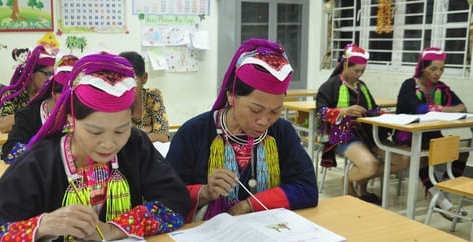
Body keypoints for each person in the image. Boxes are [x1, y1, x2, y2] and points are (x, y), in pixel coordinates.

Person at [0, 52, 191, 242]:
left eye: (121, 130)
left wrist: (113, 229)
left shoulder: (135, 145)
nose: (109, 143)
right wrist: (42, 226)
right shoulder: (38, 163)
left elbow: (175, 202)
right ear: (70, 118)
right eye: (94, 131)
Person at [165, 38, 318, 222]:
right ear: (231, 96)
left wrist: (248, 205)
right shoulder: (194, 132)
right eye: (255, 110)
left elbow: (307, 189)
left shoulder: (282, 132)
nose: (264, 121)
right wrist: (204, 192)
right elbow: (166, 196)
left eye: (275, 111)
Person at [316, 43, 409, 203]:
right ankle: (348, 180)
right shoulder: (330, 86)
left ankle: (359, 178)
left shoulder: (361, 86)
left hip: (368, 133)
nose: (359, 75)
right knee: (369, 164)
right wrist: (343, 111)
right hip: (343, 134)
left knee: (402, 161)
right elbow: (320, 112)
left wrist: (386, 115)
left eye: (362, 71)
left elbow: (372, 108)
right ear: (345, 64)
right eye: (356, 70)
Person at [396, 47, 468, 210]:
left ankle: (443, 187)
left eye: (441, 69)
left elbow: (461, 106)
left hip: (432, 133)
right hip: (407, 134)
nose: (438, 73)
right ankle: (436, 194)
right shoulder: (409, 85)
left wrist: (444, 108)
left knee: (462, 151)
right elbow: (418, 109)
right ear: (422, 68)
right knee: (423, 152)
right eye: (433, 69)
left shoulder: (441, 87)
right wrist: (445, 109)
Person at [1, 54, 79, 163]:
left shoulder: (85, 114)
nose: (76, 105)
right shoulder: (30, 115)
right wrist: (52, 154)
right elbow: (10, 150)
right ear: (54, 94)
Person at [0, 45, 55, 133]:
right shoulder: (12, 94)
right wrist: (37, 114)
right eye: (47, 74)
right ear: (31, 73)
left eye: (53, 75)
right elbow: (3, 126)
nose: (50, 79)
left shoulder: (50, 95)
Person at [119, 51, 170, 143]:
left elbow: (163, 136)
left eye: (132, 80)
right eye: (121, 81)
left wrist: (134, 135)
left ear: (144, 78)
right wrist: (146, 131)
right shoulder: (114, 101)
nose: (127, 87)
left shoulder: (153, 96)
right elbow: (119, 139)